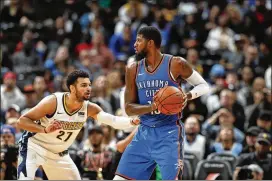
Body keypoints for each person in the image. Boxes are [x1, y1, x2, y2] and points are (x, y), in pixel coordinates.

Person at [114, 26, 209, 180]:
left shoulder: (176, 63)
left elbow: (204, 86)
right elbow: (129, 108)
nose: (135, 44)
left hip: (169, 133)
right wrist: (153, 106)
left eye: (139, 40)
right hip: (143, 133)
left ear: (150, 43)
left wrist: (188, 95)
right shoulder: (132, 69)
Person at [16, 70, 140, 180]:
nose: (89, 88)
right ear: (72, 88)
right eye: (84, 85)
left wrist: (131, 121)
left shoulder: (89, 108)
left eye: (89, 85)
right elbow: (22, 121)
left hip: (58, 153)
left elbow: (112, 121)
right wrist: (44, 130)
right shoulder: (53, 102)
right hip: (34, 147)